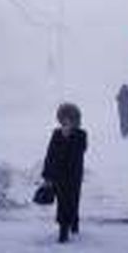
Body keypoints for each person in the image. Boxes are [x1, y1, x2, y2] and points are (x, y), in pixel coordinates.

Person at [41, 103, 87, 243]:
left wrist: (68, 137)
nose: (65, 122)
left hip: (74, 176)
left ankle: (74, 223)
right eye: (63, 119)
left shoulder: (81, 134)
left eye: (69, 119)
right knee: (63, 202)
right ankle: (63, 231)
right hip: (58, 176)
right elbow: (50, 154)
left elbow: (78, 153)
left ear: (74, 119)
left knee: (73, 201)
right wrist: (47, 175)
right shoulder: (56, 134)